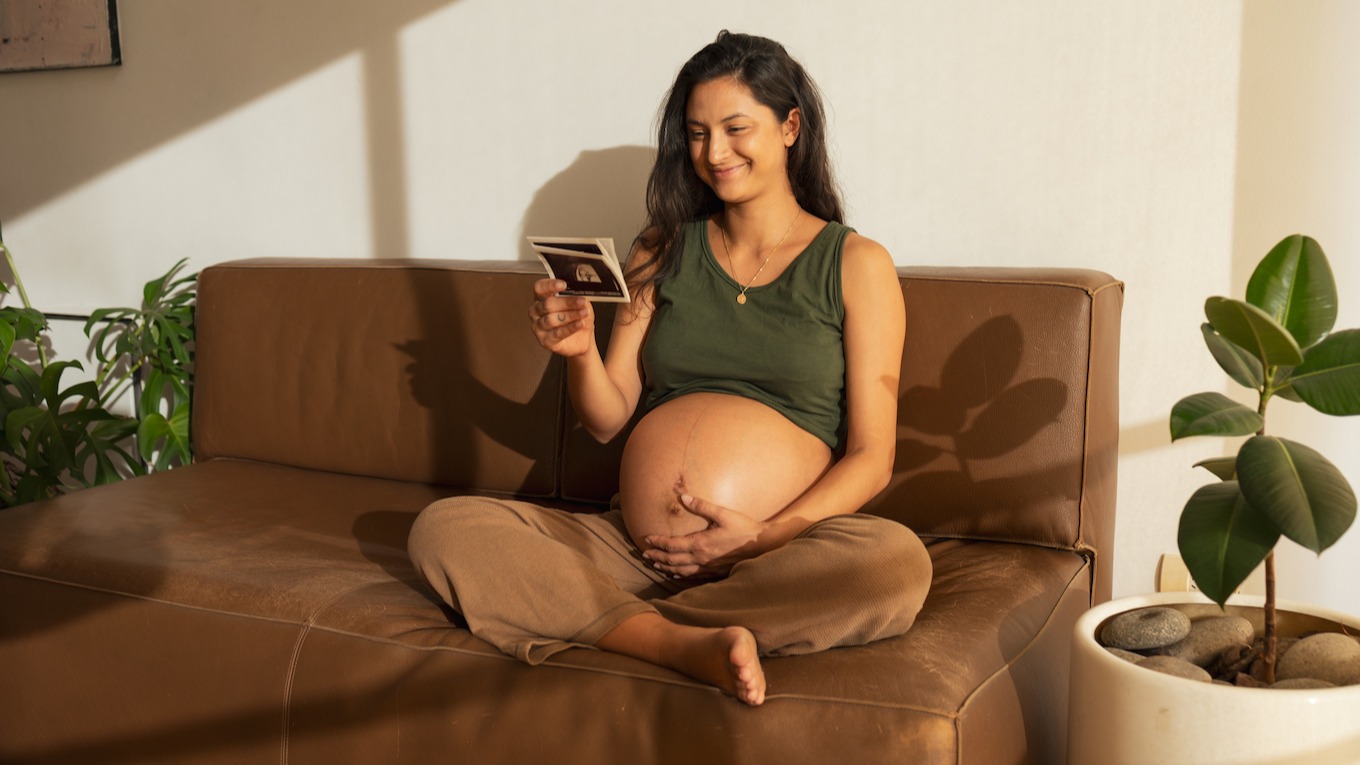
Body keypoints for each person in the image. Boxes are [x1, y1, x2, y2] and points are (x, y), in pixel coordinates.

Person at [408, 31, 931, 707]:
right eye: (696, 133)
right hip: (634, 548)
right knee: (443, 531)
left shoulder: (857, 265)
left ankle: (609, 619)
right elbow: (606, 419)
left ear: (790, 126)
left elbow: (872, 455)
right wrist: (579, 353)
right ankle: (675, 642)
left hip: (774, 555)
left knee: (895, 565)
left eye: (736, 128)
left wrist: (759, 538)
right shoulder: (662, 246)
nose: (715, 153)